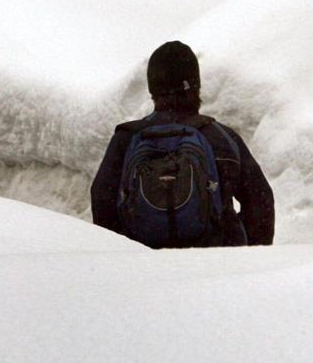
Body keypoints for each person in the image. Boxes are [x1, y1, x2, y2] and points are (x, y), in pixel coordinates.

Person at [91, 41, 274, 248]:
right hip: (218, 266)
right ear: (195, 85)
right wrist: (247, 256)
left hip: (144, 270)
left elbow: (102, 203)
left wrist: (127, 255)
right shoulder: (221, 138)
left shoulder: (126, 140)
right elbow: (260, 202)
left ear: (153, 89)